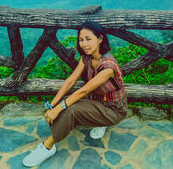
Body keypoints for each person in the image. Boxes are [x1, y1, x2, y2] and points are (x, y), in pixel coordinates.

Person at [23, 21, 127, 167]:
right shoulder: (87, 57)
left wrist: (59, 109)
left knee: (71, 110)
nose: (84, 44)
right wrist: (53, 105)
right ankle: (98, 120)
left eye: (88, 39)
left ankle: (47, 147)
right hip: (97, 100)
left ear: (100, 39)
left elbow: (84, 90)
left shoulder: (109, 66)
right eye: (81, 39)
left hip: (113, 109)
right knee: (64, 103)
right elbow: (71, 80)